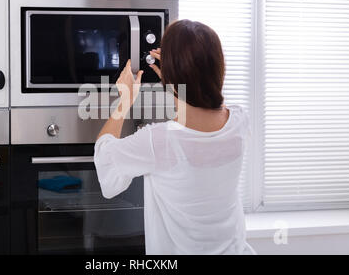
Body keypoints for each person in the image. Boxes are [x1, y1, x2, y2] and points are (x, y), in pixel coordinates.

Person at [94, 20, 255, 255]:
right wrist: (174, 78)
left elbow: (105, 157)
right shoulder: (240, 121)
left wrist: (126, 99)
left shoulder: (158, 141)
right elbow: (205, 104)